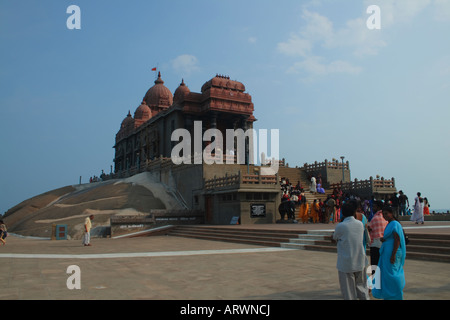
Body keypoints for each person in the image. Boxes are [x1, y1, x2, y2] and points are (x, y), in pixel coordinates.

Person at [332, 202, 369, 300]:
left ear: (343, 213)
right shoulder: (360, 224)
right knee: (362, 288)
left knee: (348, 291)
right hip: (360, 260)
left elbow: (334, 238)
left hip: (346, 262)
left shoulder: (341, 226)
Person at [372, 206, 406, 300]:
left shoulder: (394, 224)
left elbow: (397, 239)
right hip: (387, 251)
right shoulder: (390, 224)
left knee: (393, 274)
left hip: (392, 252)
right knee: (387, 274)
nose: (385, 216)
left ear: (392, 213)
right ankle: (389, 294)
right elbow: (391, 237)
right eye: (383, 214)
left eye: (386, 214)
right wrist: (384, 239)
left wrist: (393, 254)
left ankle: (396, 294)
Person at [368, 201, 388, 269]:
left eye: (374, 206)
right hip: (383, 243)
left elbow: (370, 228)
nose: (373, 208)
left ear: (378, 207)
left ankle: (375, 279)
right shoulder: (385, 217)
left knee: (374, 265)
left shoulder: (375, 218)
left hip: (375, 243)